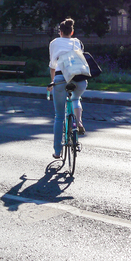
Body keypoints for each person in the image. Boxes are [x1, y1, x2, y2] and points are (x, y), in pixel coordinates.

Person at [46, 18, 88, 158]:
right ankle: (79, 120)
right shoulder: (77, 42)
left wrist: (52, 82)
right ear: (72, 32)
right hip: (79, 79)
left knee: (59, 116)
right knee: (76, 98)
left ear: (60, 32)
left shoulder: (54, 43)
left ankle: (57, 152)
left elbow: (53, 65)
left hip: (60, 79)